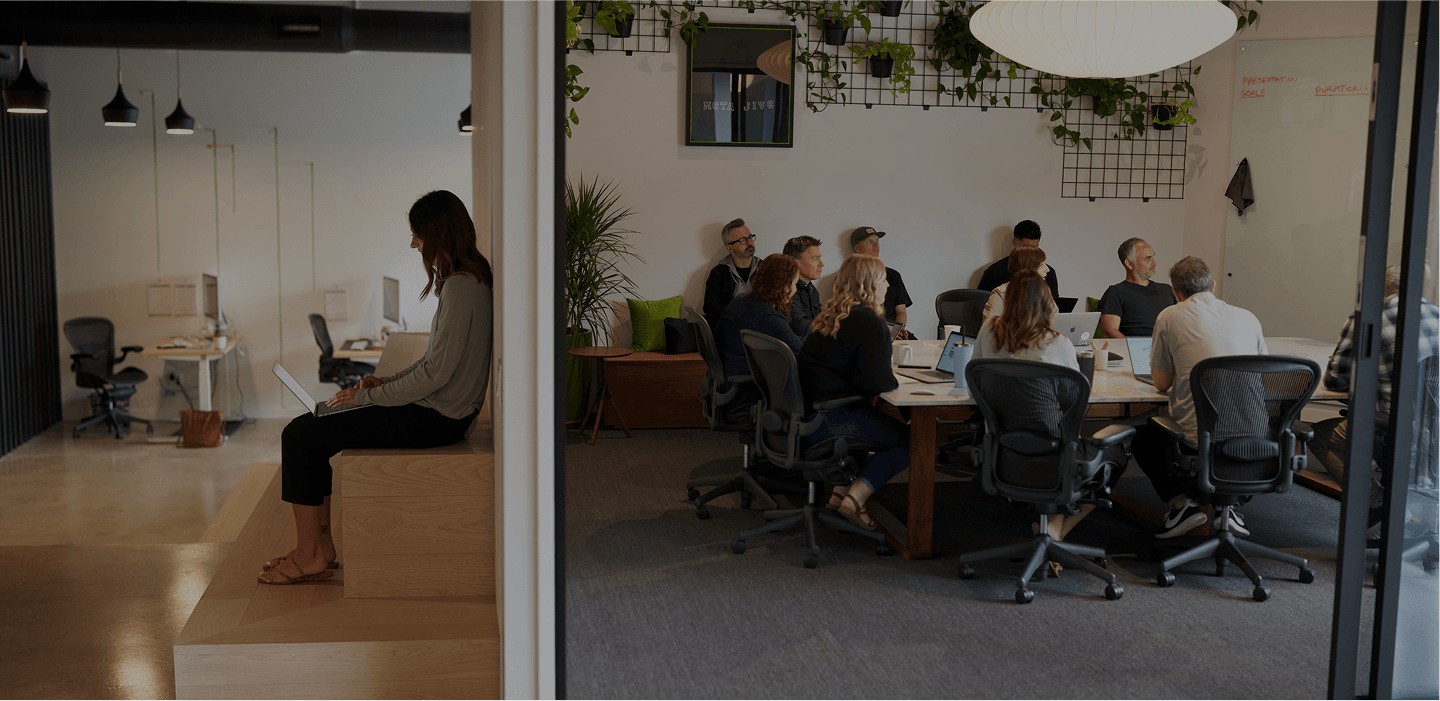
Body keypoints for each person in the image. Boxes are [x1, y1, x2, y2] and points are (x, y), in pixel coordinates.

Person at [259, 190, 493, 585]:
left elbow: (436, 375)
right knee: (312, 428)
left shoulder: (461, 286)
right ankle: (319, 549)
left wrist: (367, 396)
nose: (414, 243)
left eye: (418, 234)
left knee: (299, 435)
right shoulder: (469, 279)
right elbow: (435, 363)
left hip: (438, 419)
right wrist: (384, 382)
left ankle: (310, 553)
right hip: (442, 411)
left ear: (438, 232)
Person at [974, 271, 1124, 566]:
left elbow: (978, 383)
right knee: (1116, 452)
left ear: (1010, 301)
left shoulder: (987, 332)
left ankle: (1052, 529)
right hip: (1054, 452)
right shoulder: (1057, 343)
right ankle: (1056, 528)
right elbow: (1072, 404)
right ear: (1047, 304)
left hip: (1003, 451)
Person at [1128, 256, 1267, 539]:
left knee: (1143, 438)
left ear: (1175, 293)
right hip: (1255, 439)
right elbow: (1261, 372)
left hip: (1200, 441)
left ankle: (1183, 506)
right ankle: (1232, 509)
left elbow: (1162, 383)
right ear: (1213, 286)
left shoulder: (1170, 315)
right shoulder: (1248, 317)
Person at [1311, 265, 1440, 544]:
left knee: (1319, 436)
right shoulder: (1437, 315)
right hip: (1433, 434)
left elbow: (1334, 380)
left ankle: (1377, 501)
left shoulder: (1367, 318)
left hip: (1399, 430)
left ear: (1382, 288)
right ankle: (1410, 511)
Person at [797, 255, 910, 532]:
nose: (887, 286)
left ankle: (838, 495)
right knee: (912, 439)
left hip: (809, 414)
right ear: (870, 284)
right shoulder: (871, 322)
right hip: (833, 419)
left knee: (872, 420)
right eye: (883, 279)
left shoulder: (829, 316)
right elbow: (879, 383)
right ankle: (855, 499)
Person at [714, 254, 806, 388]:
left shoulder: (744, 300)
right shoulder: (765, 315)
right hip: (748, 385)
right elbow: (800, 352)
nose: (795, 290)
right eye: (795, 283)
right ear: (784, 284)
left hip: (734, 373)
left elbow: (790, 340)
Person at [1097, 237, 1175, 338]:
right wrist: (1136, 349)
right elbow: (1110, 331)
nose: (1154, 262)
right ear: (1129, 264)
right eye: (1148, 258)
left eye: (1153, 257)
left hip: (1169, 350)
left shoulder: (1167, 290)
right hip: (1132, 351)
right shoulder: (1115, 293)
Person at [849, 226, 913, 336]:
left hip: (894, 333)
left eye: (877, 241)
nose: (876, 245)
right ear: (857, 248)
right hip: (866, 336)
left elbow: (901, 312)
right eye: (870, 241)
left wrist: (895, 332)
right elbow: (851, 319)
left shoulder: (893, 275)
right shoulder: (848, 277)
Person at [977, 219, 1060, 300]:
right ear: (1014, 243)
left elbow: (1056, 309)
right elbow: (979, 306)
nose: (1030, 252)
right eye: (1026, 247)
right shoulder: (994, 272)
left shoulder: (1048, 273)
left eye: (1035, 247)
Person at [703, 218, 758, 328]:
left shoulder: (765, 267)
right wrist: (741, 313)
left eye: (750, 237)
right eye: (743, 240)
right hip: (732, 328)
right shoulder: (719, 273)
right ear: (730, 248)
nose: (749, 243)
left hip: (761, 326)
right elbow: (710, 307)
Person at [981, 246, 1055, 321]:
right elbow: (989, 330)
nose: (1047, 269)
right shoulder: (1000, 295)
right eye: (1041, 265)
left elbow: (1055, 320)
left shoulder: (1044, 290)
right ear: (1027, 269)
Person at [783, 235, 824, 340]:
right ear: (796, 263)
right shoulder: (788, 290)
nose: (822, 264)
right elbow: (803, 330)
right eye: (815, 259)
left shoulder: (811, 289)